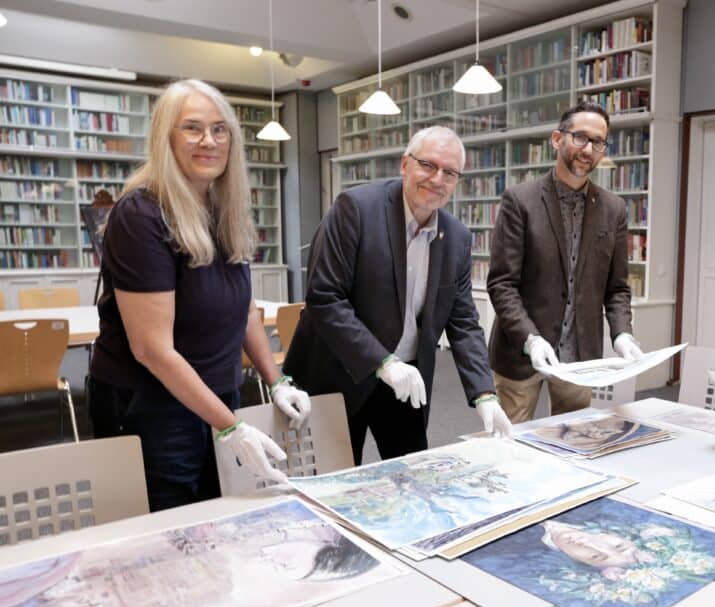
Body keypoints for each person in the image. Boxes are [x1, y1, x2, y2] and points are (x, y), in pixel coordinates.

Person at [87, 79, 311, 512]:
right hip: (150, 407)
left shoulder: (222, 211)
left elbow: (243, 309)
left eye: (219, 129)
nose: (209, 140)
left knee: (218, 518)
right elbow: (152, 349)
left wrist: (276, 380)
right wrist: (230, 427)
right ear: (165, 138)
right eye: (192, 128)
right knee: (166, 533)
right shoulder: (142, 215)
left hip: (215, 394)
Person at [284, 126, 513, 464]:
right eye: (428, 165)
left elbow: (463, 321)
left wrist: (484, 394)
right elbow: (324, 297)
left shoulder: (457, 239)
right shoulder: (356, 209)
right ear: (405, 164)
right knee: (335, 480)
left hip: (406, 379)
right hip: (338, 373)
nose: (437, 179)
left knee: (412, 476)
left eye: (449, 173)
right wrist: (381, 361)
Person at [487, 102, 641, 423]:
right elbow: (503, 284)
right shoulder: (520, 200)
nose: (589, 149)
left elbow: (616, 288)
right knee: (511, 447)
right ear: (557, 139)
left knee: (571, 445)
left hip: (580, 357)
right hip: (521, 352)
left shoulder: (613, 209)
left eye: (598, 142)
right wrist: (530, 338)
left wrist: (621, 333)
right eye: (580, 138)